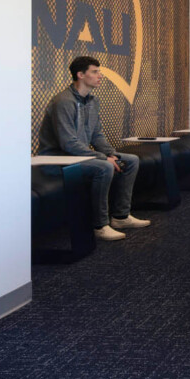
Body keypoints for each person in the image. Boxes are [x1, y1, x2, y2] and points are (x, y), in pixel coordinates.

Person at [37, 55, 150, 241]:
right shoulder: (63, 102)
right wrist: (102, 158)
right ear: (80, 75)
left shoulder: (92, 101)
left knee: (130, 160)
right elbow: (68, 143)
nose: (100, 76)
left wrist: (111, 153)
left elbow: (97, 136)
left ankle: (121, 217)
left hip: (78, 156)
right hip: (57, 158)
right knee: (104, 167)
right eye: (95, 72)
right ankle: (100, 225)